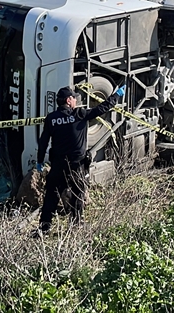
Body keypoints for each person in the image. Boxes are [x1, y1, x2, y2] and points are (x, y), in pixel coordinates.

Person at [35, 84, 125, 234]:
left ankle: (44, 227)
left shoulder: (51, 119)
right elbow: (102, 108)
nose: (76, 100)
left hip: (58, 164)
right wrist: (117, 95)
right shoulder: (79, 114)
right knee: (78, 193)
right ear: (68, 100)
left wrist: (39, 161)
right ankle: (75, 225)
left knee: (52, 195)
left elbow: (43, 142)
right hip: (77, 165)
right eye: (74, 98)